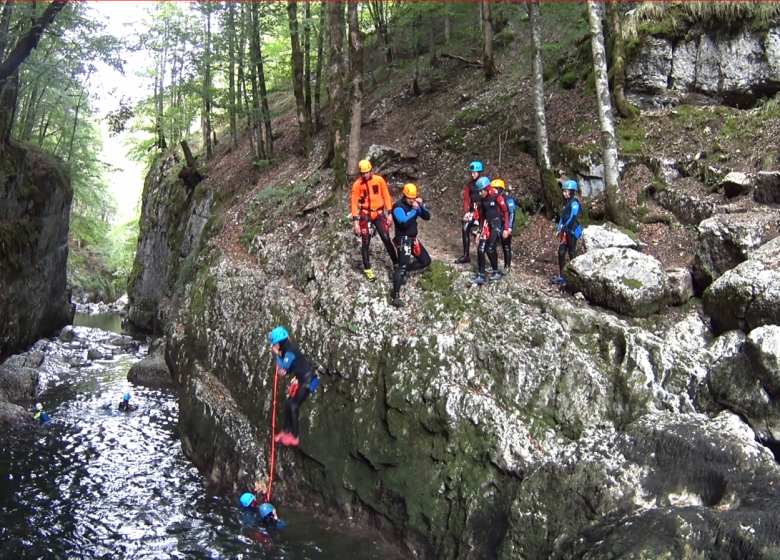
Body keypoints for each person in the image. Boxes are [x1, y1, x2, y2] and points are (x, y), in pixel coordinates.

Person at [269, 327, 319, 447]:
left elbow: (283, 365)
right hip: (302, 378)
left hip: (308, 381)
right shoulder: (287, 349)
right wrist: (285, 370)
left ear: (280, 343)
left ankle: (295, 436)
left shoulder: (289, 351)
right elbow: (292, 366)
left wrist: (277, 355)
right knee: (288, 403)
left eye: (275, 344)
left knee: (293, 406)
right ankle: (285, 431)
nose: (274, 346)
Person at [350, 159, 398, 281]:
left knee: (386, 238)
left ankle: (396, 263)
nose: (365, 175)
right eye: (363, 173)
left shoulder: (379, 180)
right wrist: (355, 221)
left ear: (371, 170)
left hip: (379, 212)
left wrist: (390, 213)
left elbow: (386, 196)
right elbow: (354, 203)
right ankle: (368, 269)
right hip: (366, 213)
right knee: (366, 241)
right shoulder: (357, 185)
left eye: (367, 172)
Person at [390, 183, 432, 308]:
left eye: (413, 198)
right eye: (409, 198)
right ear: (404, 196)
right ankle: (395, 296)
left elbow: (427, 217)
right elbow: (403, 223)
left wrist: (421, 206)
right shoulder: (398, 207)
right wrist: (413, 210)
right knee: (402, 266)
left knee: (425, 260)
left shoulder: (414, 205)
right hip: (403, 239)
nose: (411, 200)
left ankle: (403, 271)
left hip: (413, 239)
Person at [470, 177, 510, 286]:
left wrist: (506, 228)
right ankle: (481, 275)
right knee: (480, 249)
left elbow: (506, 212)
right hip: (486, 224)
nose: (480, 193)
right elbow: (482, 216)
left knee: (490, 248)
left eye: (481, 191)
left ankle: (496, 271)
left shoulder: (497, 198)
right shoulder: (483, 200)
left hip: (496, 224)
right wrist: (479, 231)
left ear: (487, 189)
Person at [454, 161, 486, 264]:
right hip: (474, 210)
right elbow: (467, 200)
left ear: (479, 172)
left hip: (483, 211)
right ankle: (466, 255)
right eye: (471, 173)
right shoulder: (470, 185)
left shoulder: (485, 183)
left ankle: (483, 258)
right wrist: (466, 212)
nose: (472, 175)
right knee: (465, 228)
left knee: (484, 232)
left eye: (474, 173)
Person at [552, 179, 583, 284]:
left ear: (572, 192)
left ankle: (575, 278)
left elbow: (572, 217)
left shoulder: (574, 203)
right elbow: (563, 217)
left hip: (571, 231)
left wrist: (563, 228)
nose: (564, 193)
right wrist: (559, 229)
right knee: (561, 253)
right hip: (565, 231)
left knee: (572, 252)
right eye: (564, 191)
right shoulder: (566, 203)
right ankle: (562, 276)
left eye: (566, 191)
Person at [490, 179, 517, 274]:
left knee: (506, 245)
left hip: (506, 224)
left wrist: (509, 227)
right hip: (498, 223)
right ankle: (494, 266)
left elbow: (512, 213)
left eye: (494, 189)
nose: (493, 191)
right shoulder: (495, 199)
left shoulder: (508, 200)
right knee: (492, 244)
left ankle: (507, 267)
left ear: (499, 189)